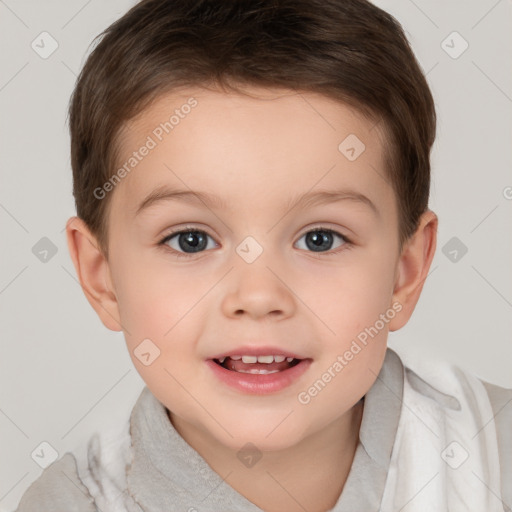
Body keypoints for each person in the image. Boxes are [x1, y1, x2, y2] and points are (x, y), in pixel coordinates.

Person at [15, 0, 511, 511]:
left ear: (404, 274)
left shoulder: (493, 458)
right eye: (191, 240)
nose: (258, 296)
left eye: (320, 238)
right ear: (103, 278)